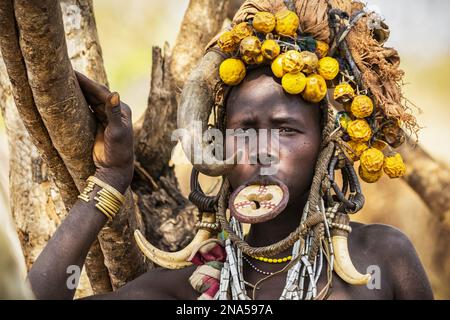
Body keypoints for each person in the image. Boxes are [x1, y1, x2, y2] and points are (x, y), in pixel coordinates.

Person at [27, 0, 433, 300]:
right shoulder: (189, 289)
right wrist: (111, 179)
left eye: (287, 130)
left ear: (326, 146)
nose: (262, 150)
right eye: (244, 130)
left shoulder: (382, 258)